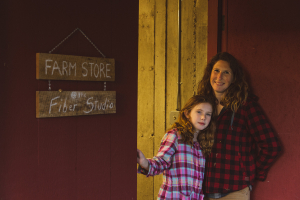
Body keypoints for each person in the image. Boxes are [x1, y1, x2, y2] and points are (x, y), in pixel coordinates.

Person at [197, 52, 282, 200]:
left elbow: (272, 145)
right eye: (216, 71)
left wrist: (252, 173)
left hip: (234, 190)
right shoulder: (201, 106)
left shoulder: (245, 106)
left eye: (226, 72)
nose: (219, 77)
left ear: (234, 78)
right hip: (202, 190)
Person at [137, 95, 217, 200]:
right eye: (199, 112)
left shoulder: (203, 143)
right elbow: (162, 161)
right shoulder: (175, 135)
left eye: (208, 114)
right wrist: (145, 163)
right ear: (187, 114)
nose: (203, 117)